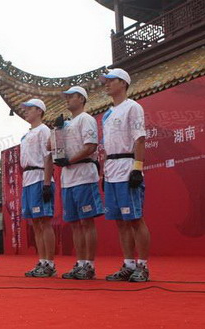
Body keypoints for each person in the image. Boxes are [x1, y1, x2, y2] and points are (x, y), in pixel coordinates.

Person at [100, 68, 150, 282]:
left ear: (123, 83)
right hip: (111, 170)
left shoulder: (133, 107)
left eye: (111, 81)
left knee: (135, 219)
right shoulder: (108, 113)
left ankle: (143, 266)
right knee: (120, 221)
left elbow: (140, 139)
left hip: (128, 166)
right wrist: (104, 172)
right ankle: (128, 264)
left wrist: (137, 167)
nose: (107, 84)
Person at [53, 86, 103, 280]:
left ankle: (89, 265)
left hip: (83, 175)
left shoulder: (86, 119)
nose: (68, 100)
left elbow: (90, 146)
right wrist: (57, 129)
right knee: (74, 223)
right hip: (68, 179)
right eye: (66, 97)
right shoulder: (65, 125)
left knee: (87, 221)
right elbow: (51, 147)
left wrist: (71, 160)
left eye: (72, 96)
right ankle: (80, 262)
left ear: (81, 99)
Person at [19, 98, 56, 277]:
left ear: (39, 111)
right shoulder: (26, 135)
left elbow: (48, 157)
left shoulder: (44, 131)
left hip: (41, 177)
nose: (25, 112)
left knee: (44, 221)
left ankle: (49, 263)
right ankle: (41, 261)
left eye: (29, 109)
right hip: (28, 179)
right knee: (35, 223)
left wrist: (47, 183)